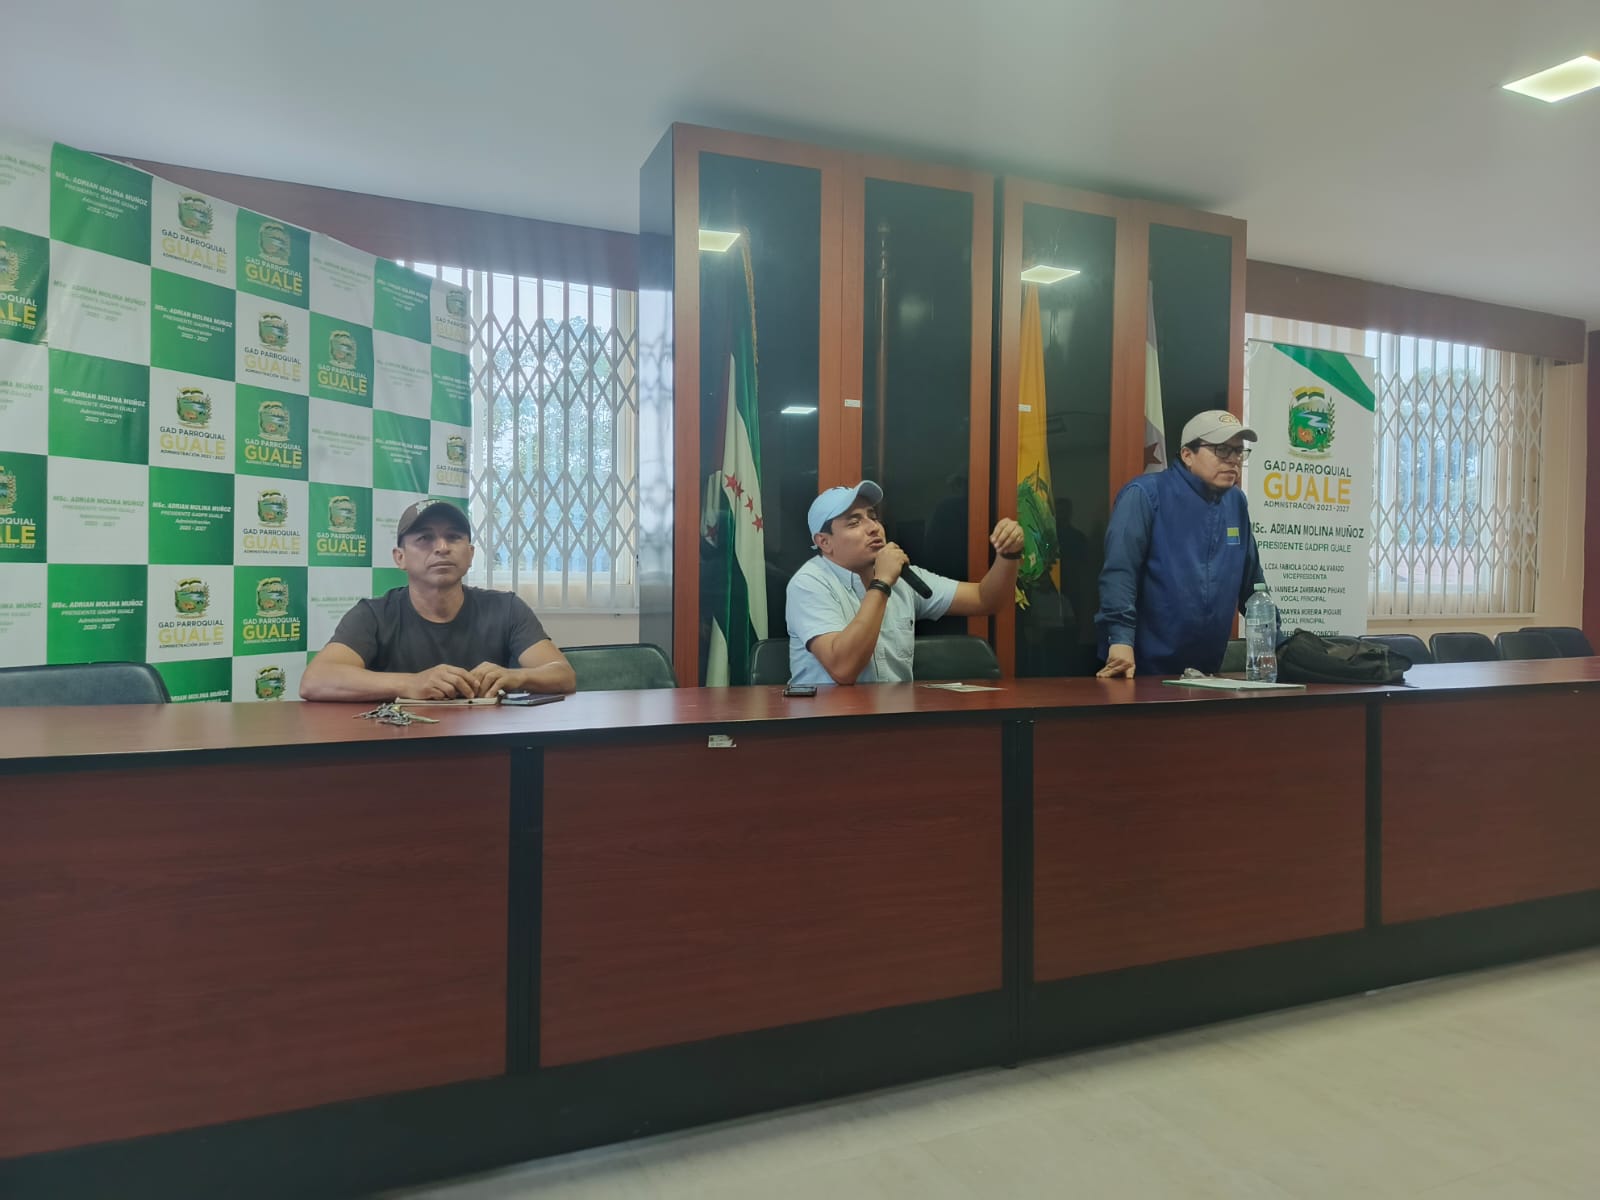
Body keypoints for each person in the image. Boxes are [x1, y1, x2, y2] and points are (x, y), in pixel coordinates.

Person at [300, 500, 576, 701]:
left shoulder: (506, 608)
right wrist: (411, 684)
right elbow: (315, 680)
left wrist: (516, 676)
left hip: (485, 745)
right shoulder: (373, 615)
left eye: (453, 537)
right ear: (400, 557)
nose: (442, 547)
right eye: (425, 538)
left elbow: (563, 675)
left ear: (470, 554)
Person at [786, 480, 1025, 686]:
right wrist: (882, 583)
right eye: (854, 522)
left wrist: (1008, 555)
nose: (873, 528)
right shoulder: (809, 583)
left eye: (873, 517)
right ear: (824, 542)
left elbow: (985, 599)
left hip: (895, 715)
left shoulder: (902, 576)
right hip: (828, 719)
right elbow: (843, 669)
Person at [1094, 410, 1265, 679]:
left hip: (1207, 672)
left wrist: (1275, 642)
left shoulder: (1236, 502)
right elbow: (1120, 572)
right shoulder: (1145, 495)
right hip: (1139, 668)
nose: (1233, 460)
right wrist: (1120, 638)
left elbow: (1252, 584)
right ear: (1187, 455)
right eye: (1221, 450)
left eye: (1238, 451)